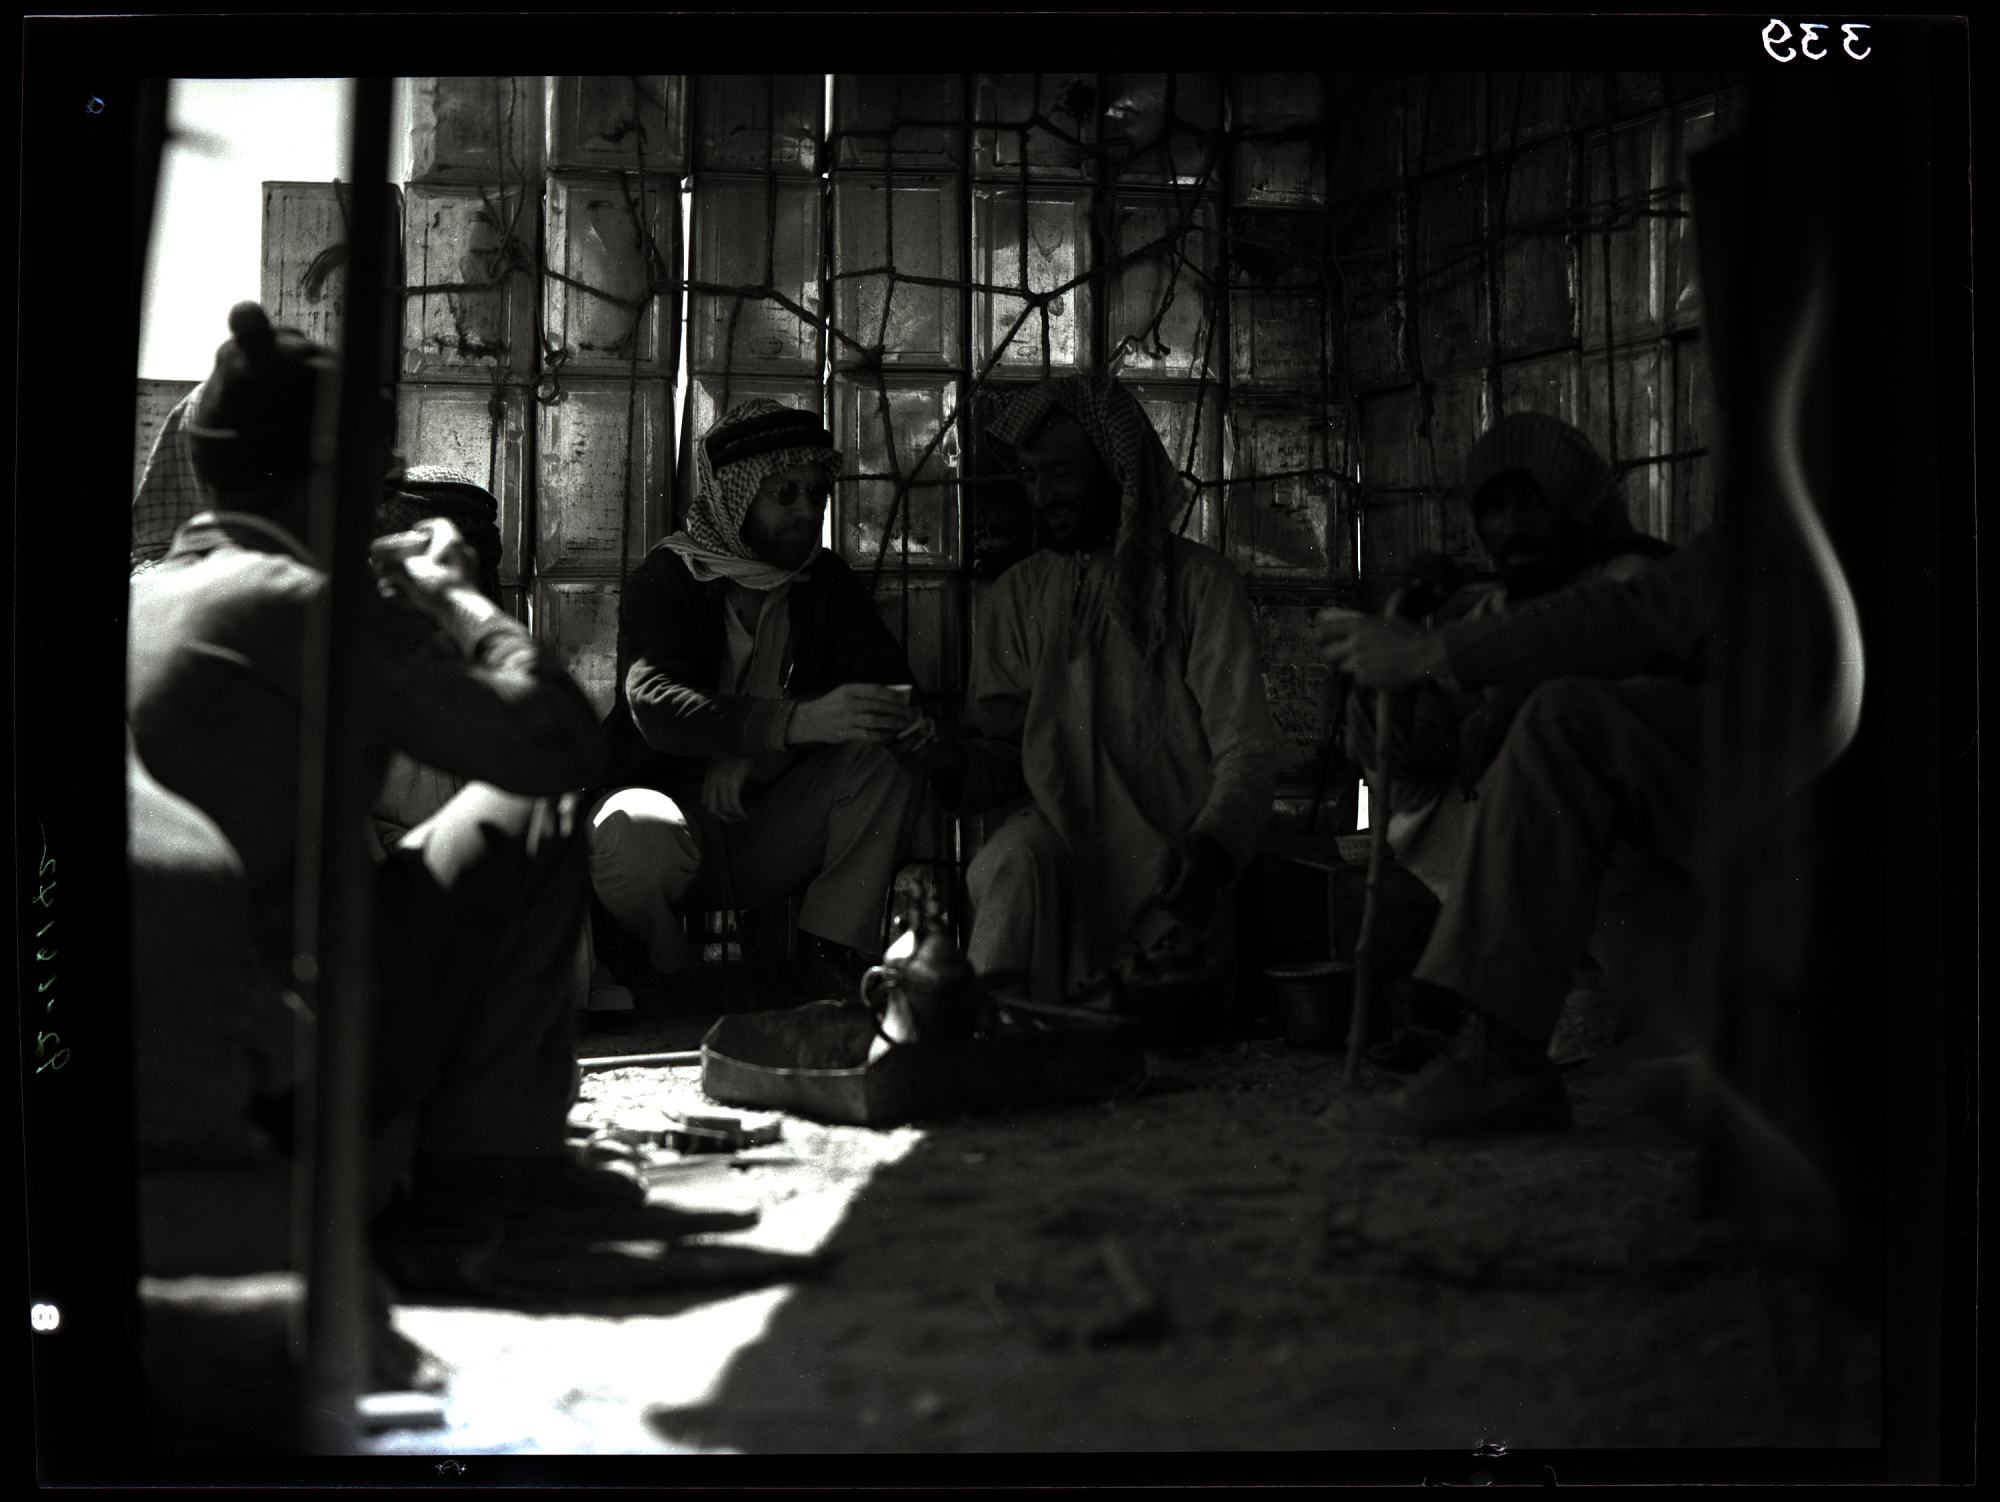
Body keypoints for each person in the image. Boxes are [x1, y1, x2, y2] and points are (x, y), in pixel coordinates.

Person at [127, 303, 663, 1298]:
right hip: (280, 1060)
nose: (382, 520)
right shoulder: (304, 601)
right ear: (328, 480)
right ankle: (480, 1171)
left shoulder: (139, 596)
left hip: (160, 1050)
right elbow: (558, 742)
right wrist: (456, 597)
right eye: (377, 492)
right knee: (534, 804)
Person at [1316, 507, 1722, 1137]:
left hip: (1737, 831)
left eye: (1527, 500)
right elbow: (1405, 750)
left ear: (1572, 502)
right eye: (1492, 512)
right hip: (1595, 918)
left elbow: (1632, 622)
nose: (1513, 527)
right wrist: (1397, 650)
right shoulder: (1498, 612)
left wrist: (1446, 660)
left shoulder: (1628, 574)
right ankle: (1502, 1047)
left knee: (1563, 726)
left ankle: (1522, 1051)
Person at [895, 373, 1277, 1007]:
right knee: (1014, 858)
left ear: (1116, 467)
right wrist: (948, 759)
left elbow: (1247, 753)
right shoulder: (1018, 596)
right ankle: (978, 1039)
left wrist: (1211, 850)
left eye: (1061, 472)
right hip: (1060, 879)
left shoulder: (1201, 586)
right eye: (1030, 476)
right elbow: (1005, 753)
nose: (1043, 495)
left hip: (1168, 886)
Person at [591, 399, 923, 1001]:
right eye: (784, 494)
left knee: (885, 752)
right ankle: (654, 942)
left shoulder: (822, 581)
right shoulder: (669, 577)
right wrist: (787, 721)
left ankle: (827, 949)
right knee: (631, 833)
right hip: (675, 826)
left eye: (816, 495)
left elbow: (882, 689)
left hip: (766, 827)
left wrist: (764, 751)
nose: (807, 512)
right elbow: (656, 704)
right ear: (734, 498)